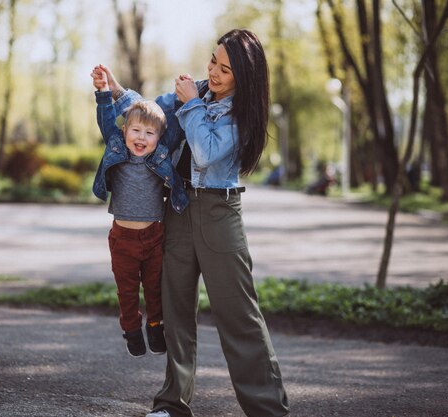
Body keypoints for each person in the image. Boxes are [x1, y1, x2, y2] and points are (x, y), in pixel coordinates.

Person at [98, 28, 289, 417]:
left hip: (220, 214)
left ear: (244, 77)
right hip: (180, 208)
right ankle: (172, 404)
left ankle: (268, 409)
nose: (213, 73)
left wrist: (191, 106)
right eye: (213, 62)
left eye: (225, 69)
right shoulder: (196, 92)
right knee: (175, 311)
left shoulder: (241, 114)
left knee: (239, 317)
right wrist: (118, 91)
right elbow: (150, 110)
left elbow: (205, 153)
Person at [90, 66, 189, 358]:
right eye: (135, 130)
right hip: (122, 239)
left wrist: (185, 102)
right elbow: (106, 119)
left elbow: (178, 129)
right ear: (125, 131)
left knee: (155, 289)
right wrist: (103, 92)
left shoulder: (160, 153)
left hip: (154, 236)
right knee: (127, 291)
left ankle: (155, 325)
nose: (141, 138)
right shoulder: (116, 146)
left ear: (159, 137)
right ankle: (131, 329)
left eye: (149, 133)